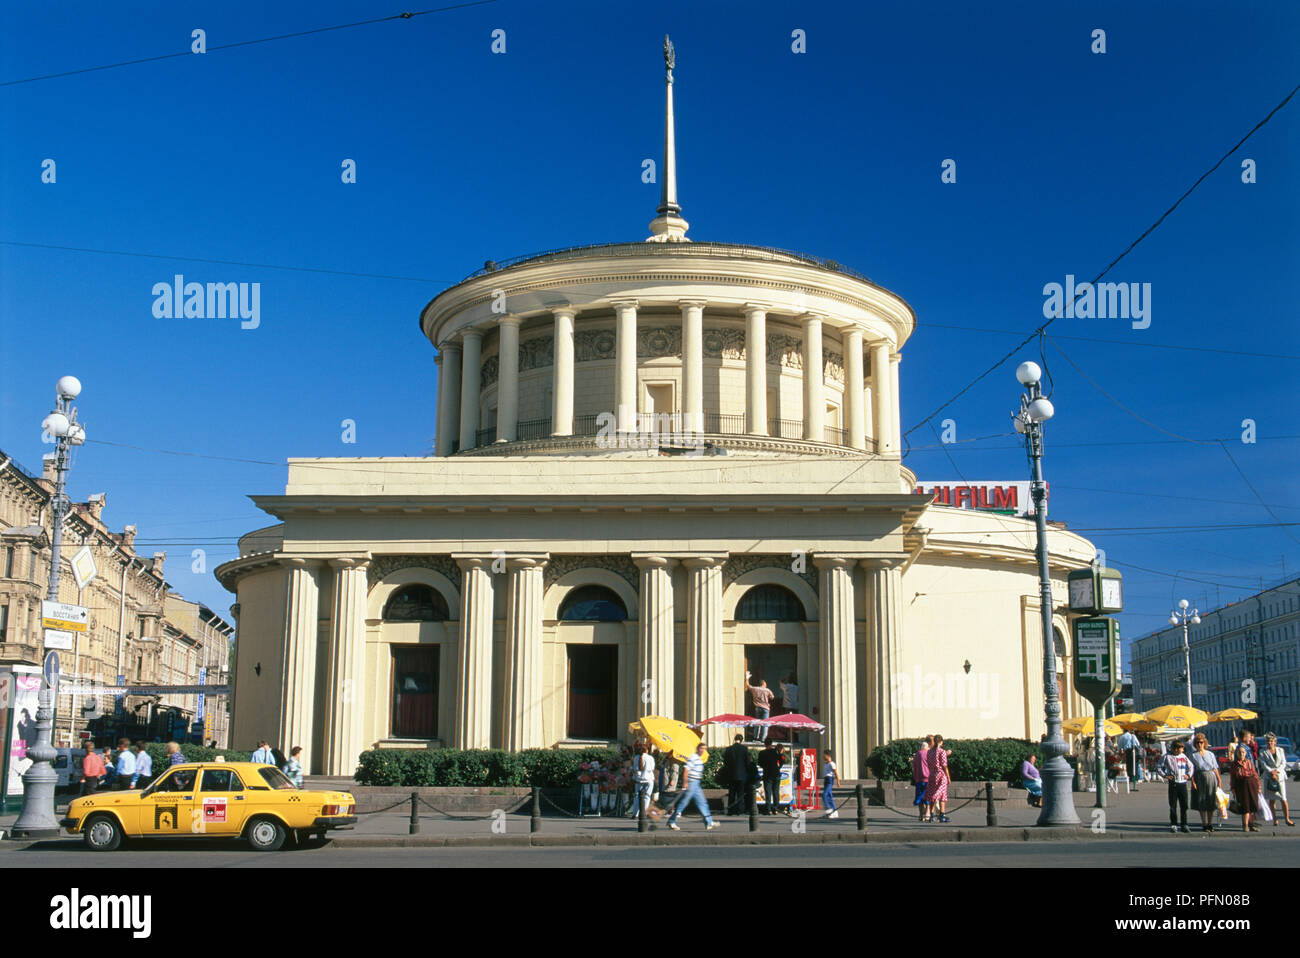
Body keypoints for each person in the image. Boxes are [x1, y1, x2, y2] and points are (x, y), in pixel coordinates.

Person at [666, 742, 719, 831]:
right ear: (698, 749)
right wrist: (685, 782)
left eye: (705, 749)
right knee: (684, 803)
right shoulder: (693, 758)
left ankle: (709, 822)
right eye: (702, 748)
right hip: (692, 782)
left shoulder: (698, 759)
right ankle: (672, 821)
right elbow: (686, 770)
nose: (703, 750)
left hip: (696, 783)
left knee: (702, 802)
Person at [1156, 740, 1193, 833]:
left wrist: (1188, 775)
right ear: (1174, 749)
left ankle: (1184, 824)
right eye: (1180, 748)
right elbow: (1158, 767)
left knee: (1184, 805)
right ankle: (1174, 824)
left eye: (1182, 748)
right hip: (1174, 784)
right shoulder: (1167, 756)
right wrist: (1165, 775)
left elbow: (1191, 766)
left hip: (1183, 783)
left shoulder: (1184, 756)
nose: (1181, 750)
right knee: (1173, 805)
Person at [1257, 732, 1293, 827]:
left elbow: (1284, 763)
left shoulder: (1280, 750)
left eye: (1272, 741)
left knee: (1283, 799)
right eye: (1268, 741)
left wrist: (1277, 771)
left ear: (1275, 742)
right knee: (1272, 800)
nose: (1270, 743)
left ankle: (1287, 819)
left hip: (1280, 776)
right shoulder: (1263, 752)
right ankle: (1275, 819)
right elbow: (1263, 764)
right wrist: (1271, 772)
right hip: (1269, 777)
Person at [1189, 734, 1222, 833]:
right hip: (1200, 778)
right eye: (1198, 742)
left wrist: (1219, 780)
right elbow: (1191, 770)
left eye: (1201, 742)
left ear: (1205, 743)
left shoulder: (1210, 754)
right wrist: (1193, 781)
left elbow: (1215, 768)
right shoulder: (1193, 755)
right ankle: (1204, 823)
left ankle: (1210, 823)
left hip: (1211, 777)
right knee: (1202, 800)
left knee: (1211, 801)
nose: (1200, 744)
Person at [1229, 745, 1260, 832]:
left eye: (1243, 752)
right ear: (1237, 754)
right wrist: (1233, 789)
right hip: (1241, 786)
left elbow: (1255, 774)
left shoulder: (1249, 762)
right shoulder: (1234, 764)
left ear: (1245, 753)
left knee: (1253, 806)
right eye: (1239, 752)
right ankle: (1245, 825)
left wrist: (1259, 786)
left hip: (1251, 784)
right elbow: (1233, 777)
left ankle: (1251, 825)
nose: (1241, 754)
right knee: (1245, 806)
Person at [925, 733, 950, 822]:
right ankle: (942, 815)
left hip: (932, 775)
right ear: (941, 742)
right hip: (940, 775)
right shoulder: (942, 751)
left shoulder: (929, 752)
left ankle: (931, 815)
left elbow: (928, 763)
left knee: (932, 794)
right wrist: (948, 777)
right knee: (942, 795)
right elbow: (944, 765)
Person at [722, 734, 749, 815]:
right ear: (741, 740)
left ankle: (731, 810)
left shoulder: (729, 749)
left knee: (732, 793)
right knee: (740, 793)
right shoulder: (744, 749)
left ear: (735, 739)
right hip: (741, 774)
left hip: (731, 774)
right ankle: (740, 810)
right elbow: (747, 762)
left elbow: (725, 762)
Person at [758, 740, 784, 815]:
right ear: (771, 743)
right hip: (776, 773)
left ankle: (768, 809)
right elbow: (782, 760)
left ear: (765, 744)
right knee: (776, 791)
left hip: (767, 774)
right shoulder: (775, 751)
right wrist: (778, 767)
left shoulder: (762, 753)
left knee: (768, 792)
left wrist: (765, 767)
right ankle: (776, 809)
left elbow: (759, 763)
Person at [912, 736, 932, 821]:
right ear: (926, 747)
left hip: (918, 779)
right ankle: (927, 813)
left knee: (919, 796)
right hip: (928, 778)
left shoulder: (917, 755)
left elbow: (914, 767)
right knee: (928, 797)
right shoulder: (928, 754)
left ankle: (920, 814)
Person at [631, 743, 654, 815]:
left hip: (638, 779)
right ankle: (643, 812)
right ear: (646, 750)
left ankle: (635, 813)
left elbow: (635, 768)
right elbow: (652, 768)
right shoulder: (650, 758)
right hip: (648, 779)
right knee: (647, 796)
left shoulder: (636, 757)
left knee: (637, 796)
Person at [822, 750, 839, 819]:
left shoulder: (832, 764)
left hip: (830, 780)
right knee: (830, 796)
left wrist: (838, 781)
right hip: (826, 779)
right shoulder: (826, 764)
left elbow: (836, 772)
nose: (823, 756)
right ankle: (835, 811)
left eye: (824, 755)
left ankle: (829, 809)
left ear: (828, 756)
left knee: (824, 794)